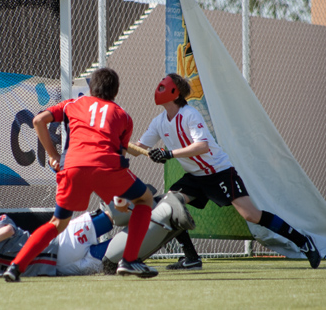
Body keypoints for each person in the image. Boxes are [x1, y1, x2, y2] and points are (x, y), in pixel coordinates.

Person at [129, 73, 321, 270]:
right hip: (195, 177)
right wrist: (114, 141)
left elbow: (202, 146)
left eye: (162, 87)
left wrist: (169, 154)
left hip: (219, 172)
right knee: (168, 205)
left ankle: (303, 242)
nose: (157, 90)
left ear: (174, 93)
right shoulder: (159, 121)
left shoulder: (189, 115)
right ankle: (191, 258)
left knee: (251, 215)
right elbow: (138, 148)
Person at [3, 67, 157, 282]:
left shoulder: (72, 104)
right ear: (115, 91)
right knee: (145, 199)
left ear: (91, 88)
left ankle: (16, 266)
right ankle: (130, 261)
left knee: (57, 223)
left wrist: (54, 154)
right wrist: (119, 198)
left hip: (73, 166)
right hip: (106, 165)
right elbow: (119, 157)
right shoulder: (123, 115)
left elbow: (38, 121)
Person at [0, 203, 115, 277]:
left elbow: (8, 230)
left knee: (112, 217)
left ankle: (142, 208)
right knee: (116, 252)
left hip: (63, 242)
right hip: (60, 268)